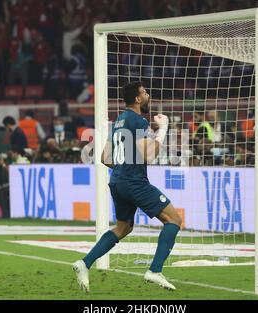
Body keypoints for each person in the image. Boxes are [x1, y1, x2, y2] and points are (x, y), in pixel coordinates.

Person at [73, 81, 182, 292]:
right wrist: (163, 130)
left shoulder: (118, 122)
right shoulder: (138, 121)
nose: (148, 95)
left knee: (123, 227)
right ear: (138, 99)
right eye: (145, 92)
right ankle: (155, 270)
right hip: (134, 182)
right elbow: (149, 156)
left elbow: (104, 157)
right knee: (173, 220)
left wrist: (123, 167)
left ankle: (84, 263)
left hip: (117, 181)